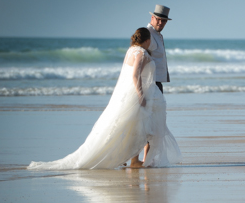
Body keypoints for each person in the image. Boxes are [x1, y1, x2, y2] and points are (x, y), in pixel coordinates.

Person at [28, 28, 182, 170]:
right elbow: (135, 76)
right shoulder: (140, 53)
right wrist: (141, 95)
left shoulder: (131, 50)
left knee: (127, 127)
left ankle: (125, 158)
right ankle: (132, 160)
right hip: (137, 96)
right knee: (136, 129)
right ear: (147, 40)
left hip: (129, 95)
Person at [131, 4, 173, 165]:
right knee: (146, 123)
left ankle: (145, 159)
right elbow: (139, 56)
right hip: (151, 83)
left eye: (164, 21)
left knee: (154, 122)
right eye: (159, 20)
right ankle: (137, 159)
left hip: (157, 82)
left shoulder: (157, 35)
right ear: (152, 18)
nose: (161, 23)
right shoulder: (148, 34)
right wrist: (141, 89)